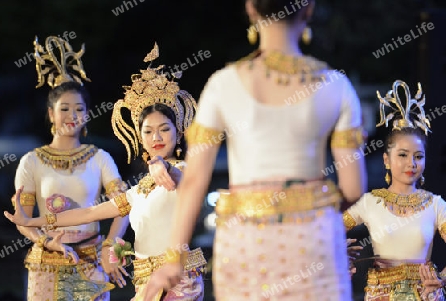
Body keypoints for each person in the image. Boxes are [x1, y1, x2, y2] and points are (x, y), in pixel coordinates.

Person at [131, 0, 367, 300]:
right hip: (314, 238)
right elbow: (354, 187)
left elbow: (194, 182)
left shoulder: (223, 85)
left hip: (245, 238)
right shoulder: (336, 86)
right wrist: (311, 212)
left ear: (252, 9)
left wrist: (173, 260)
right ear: (307, 9)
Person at [5, 43, 207, 301]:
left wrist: (162, 165)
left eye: (164, 129)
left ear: (178, 132)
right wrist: (32, 222)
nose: (156, 136)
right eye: (147, 131)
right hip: (143, 283)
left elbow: (183, 180)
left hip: (177, 279)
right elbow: (90, 212)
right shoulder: (138, 191)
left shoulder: (179, 171)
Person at [10, 35, 130, 301]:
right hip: (47, 261)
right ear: (51, 114)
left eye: (79, 108)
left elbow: (124, 207)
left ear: (87, 114)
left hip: (92, 261)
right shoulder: (32, 161)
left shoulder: (100, 158)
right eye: (64, 108)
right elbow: (23, 217)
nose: (72, 115)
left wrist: (111, 246)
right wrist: (44, 240)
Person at [343, 79, 446, 300]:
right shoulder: (370, 202)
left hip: (426, 295)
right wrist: (338, 254)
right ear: (386, 160)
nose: (412, 163)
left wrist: (442, 279)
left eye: (418, 157)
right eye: (403, 155)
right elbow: (327, 230)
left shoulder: (436, 204)